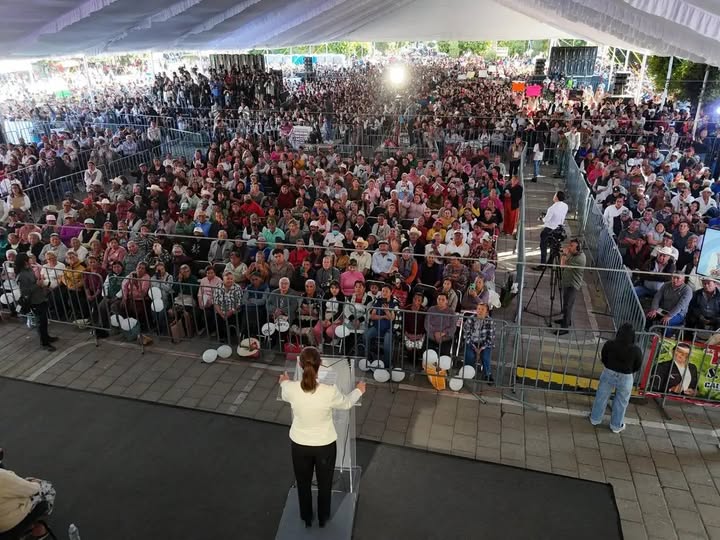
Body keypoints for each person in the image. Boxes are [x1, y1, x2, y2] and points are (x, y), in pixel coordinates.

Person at [279, 347, 366, 529]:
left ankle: (306, 517)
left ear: (299, 364)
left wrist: (284, 381)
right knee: (325, 484)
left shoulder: (291, 389)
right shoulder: (329, 391)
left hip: (299, 445)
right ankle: (323, 518)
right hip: (324, 446)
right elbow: (346, 403)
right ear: (319, 365)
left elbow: (284, 386)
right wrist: (359, 390)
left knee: (303, 484)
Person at [589, 322, 643, 434]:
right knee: (621, 402)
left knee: (601, 396)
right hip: (626, 377)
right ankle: (616, 425)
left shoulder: (610, 344)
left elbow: (604, 357)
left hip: (609, 373)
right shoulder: (636, 350)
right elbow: (637, 366)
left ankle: (595, 418)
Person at [15, 253, 58, 351]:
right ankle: (44, 343)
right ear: (25, 261)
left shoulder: (29, 269)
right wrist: (37, 285)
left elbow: (34, 282)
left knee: (44, 320)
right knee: (40, 322)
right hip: (34, 301)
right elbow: (25, 292)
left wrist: (40, 284)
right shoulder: (21, 275)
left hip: (40, 297)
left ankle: (46, 337)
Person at [0, 467, 56, 537]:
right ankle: (39, 529)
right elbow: (34, 489)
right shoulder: (2, 476)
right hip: (7, 524)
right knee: (48, 488)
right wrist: (35, 483)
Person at [555, 239, 586, 335]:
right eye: (570, 245)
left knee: (568, 305)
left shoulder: (580, 259)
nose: (569, 247)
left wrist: (564, 254)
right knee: (565, 303)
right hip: (567, 282)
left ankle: (565, 328)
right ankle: (566, 320)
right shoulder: (574, 254)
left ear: (578, 248)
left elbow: (562, 265)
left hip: (573, 284)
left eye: (572, 246)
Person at [533, 191, 568, 269]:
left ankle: (542, 264)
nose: (554, 196)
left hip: (549, 230)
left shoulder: (552, 208)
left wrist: (542, 218)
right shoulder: (565, 206)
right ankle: (550, 263)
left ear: (556, 197)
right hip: (559, 229)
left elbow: (546, 220)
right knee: (554, 246)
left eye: (555, 195)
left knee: (543, 246)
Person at [462, 302, 496, 382]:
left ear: (487, 312)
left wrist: (480, 349)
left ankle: (487, 374)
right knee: (470, 355)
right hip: (472, 342)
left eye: (482, 309)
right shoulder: (470, 319)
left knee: (485, 356)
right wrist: (474, 348)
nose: (480, 311)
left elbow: (490, 339)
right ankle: (467, 372)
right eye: (478, 309)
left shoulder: (490, 322)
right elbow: (466, 336)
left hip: (485, 344)